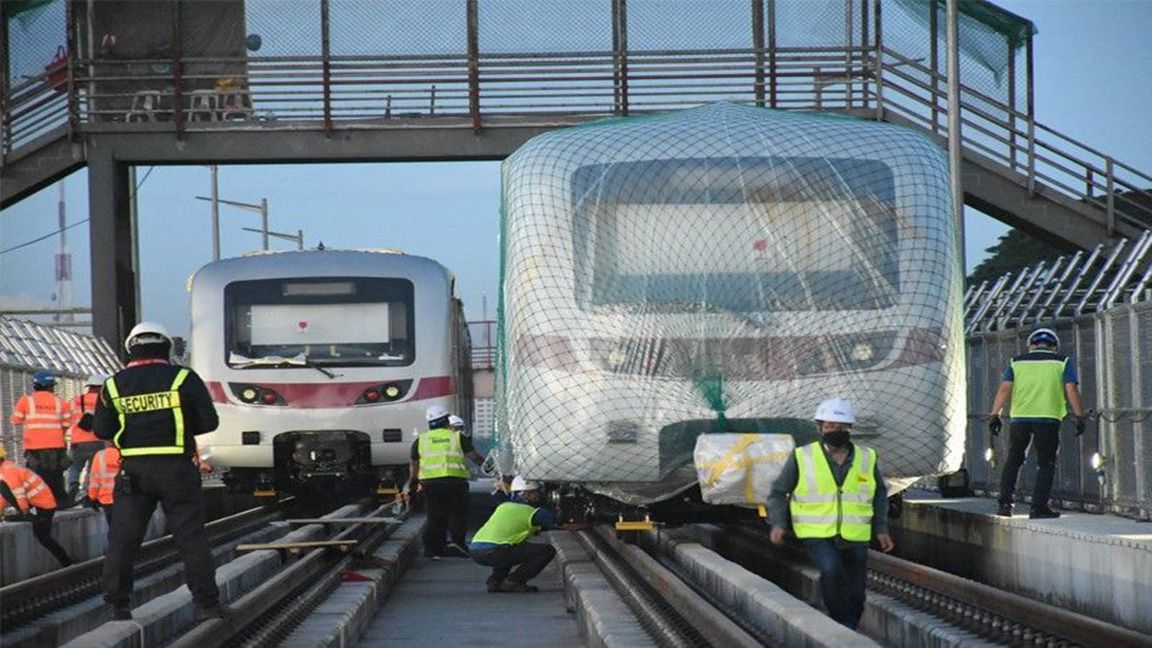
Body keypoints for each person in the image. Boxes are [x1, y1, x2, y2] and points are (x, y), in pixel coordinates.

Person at [92, 321, 223, 622]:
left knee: (123, 540)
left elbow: (102, 429)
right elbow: (209, 422)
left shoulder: (113, 385)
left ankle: (117, 606)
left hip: (133, 472)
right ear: (167, 347)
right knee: (191, 538)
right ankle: (207, 605)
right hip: (176, 468)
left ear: (130, 350)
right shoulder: (183, 378)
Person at [768, 397, 894, 630]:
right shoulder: (802, 456)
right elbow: (778, 492)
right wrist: (778, 523)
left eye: (839, 427)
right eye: (828, 427)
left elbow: (879, 494)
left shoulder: (867, 458)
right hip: (816, 532)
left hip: (855, 533)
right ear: (820, 429)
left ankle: (850, 624)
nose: (834, 431)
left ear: (848, 429)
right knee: (831, 569)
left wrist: (881, 529)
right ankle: (841, 625)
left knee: (856, 593)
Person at [988, 327, 1086, 519]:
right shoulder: (1062, 362)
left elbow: (1004, 389)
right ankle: (1038, 507)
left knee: (1013, 461)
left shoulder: (1016, 362)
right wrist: (1079, 416)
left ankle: (1005, 505)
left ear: (1031, 345)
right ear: (1054, 346)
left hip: (1020, 418)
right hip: (1048, 418)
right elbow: (1071, 389)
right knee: (1046, 463)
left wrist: (995, 415)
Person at [470, 476, 579, 593]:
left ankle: (495, 582)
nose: (539, 496)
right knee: (546, 551)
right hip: (496, 551)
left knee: (511, 547)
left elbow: (539, 526)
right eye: (537, 492)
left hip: (476, 551)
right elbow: (561, 524)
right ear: (527, 493)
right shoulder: (530, 511)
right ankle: (513, 581)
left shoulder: (504, 506)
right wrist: (586, 525)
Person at [409, 404, 485, 560]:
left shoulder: (420, 440)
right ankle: (457, 544)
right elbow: (475, 457)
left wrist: (413, 482)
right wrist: (490, 468)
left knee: (435, 516)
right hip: (456, 483)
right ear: (446, 421)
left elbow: (414, 465)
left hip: (431, 484)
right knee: (458, 514)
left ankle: (434, 550)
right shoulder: (457, 437)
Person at [0, 445, 74, 567]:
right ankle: (67, 563)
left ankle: (67, 563)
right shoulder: (5, 468)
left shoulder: (8, 471)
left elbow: (18, 493)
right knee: (43, 536)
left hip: (44, 505)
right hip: (39, 503)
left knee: (43, 537)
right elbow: (4, 495)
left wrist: (25, 512)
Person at [10, 370, 71, 505]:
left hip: (34, 446)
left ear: (35, 385)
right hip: (56, 445)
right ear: (51, 386)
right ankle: (59, 501)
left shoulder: (26, 401)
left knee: (35, 476)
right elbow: (66, 424)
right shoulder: (60, 402)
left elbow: (15, 420)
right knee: (55, 475)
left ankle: (36, 502)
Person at [68, 374, 109, 504]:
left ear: (89, 387)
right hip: (98, 440)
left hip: (77, 441)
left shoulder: (76, 400)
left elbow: (67, 418)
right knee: (93, 469)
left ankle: (73, 487)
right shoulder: (104, 401)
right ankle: (87, 494)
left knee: (75, 467)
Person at [84, 441, 121, 525]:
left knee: (113, 528)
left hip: (106, 499)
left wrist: (92, 498)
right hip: (124, 497)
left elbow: (94, 481)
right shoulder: (124, 454)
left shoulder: (100, 455)